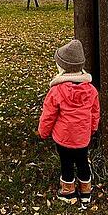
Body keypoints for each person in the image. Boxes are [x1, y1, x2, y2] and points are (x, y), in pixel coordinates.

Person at [38, 39, 99, 204]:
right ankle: (86, 192)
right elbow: (95, 113)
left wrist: (43, 132)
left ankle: (68, 192)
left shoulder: (56, 91)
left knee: (66, 163)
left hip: (63, 138)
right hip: (82, 137)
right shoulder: (91, 90)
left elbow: (48, 115)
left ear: (62, 68)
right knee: (82, 162)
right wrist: (92, 129)